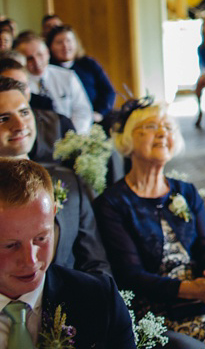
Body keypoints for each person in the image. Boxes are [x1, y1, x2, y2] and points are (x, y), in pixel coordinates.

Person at [94, 98, 205, 348]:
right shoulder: (113, 202)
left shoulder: (185, 191)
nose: (162, 133)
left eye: (168, 128)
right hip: (160, 303)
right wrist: (193, 290)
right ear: (128, 139)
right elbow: (131, 275)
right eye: (150, 127)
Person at [0, 158, 136, 349]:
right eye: (11, 245)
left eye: (41, 239)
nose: (30, 260)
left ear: (53, 215)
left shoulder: (99, 299)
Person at [0, 76, 112, 276]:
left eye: (24, 113)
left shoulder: (68, 181)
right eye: (3, 118)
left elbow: (95, 263)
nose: (19, 125)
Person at [14, 32, 93, 133]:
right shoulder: (19, 84)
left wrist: (74, 138)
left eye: (40, 54)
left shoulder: (67, 76)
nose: (36, 62)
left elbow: (82, 110)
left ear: (47, 53)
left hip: (72, 135)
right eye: (29, 58)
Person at [46, 25, 116, 124]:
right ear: (50, 47)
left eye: (69, 41)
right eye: (59, 42)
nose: (65, 46)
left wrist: (99, 113)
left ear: (76, 43)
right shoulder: (48, 71)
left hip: (95, 119)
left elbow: (108, 91)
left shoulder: (88, 63)